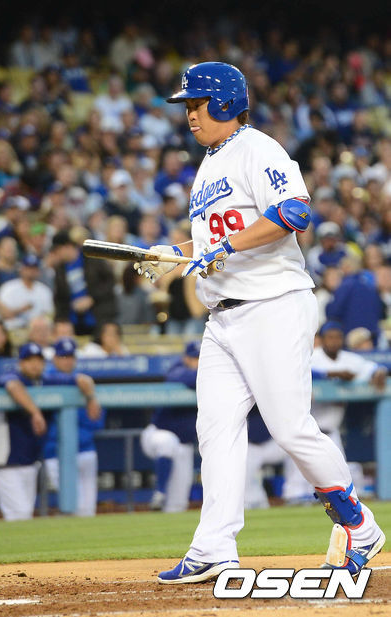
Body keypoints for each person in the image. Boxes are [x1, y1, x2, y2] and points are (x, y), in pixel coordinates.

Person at [134, 62, 385, 583]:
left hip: (272, 304)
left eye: (197, 104)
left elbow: (294, 212)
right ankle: (214, 547)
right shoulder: (209, 164)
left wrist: (223, 247)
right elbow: (213, 243)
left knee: (290, 427)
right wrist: (173, 254)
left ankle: (359, 526)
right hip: (222, 316)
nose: (190, 114)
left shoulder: (257, 148)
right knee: (215, 429)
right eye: (187, 106)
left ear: (226, 103)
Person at [283, 322, 388, 503]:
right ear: (322, 339)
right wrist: (331, 374)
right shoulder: (313, 356)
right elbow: (295, 369)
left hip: (332, 432)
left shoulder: (348, 359)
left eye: (338, 337)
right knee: (296, 489)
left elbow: (373, 367)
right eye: (330, 337)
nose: (334, 341)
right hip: (305, 431)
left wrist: (378, 372)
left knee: (340, 479)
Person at [43, 337, 105, 516]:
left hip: (86, 450)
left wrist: (90, 396)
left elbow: (97, 421)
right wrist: (82, 386)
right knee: (73, 509)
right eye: (63, 357)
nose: (67, 361)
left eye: (70, 357)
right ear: (54, 358)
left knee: (88, 511)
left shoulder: (86, 382)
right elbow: (48, 379)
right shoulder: (46, 378)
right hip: (57, 454)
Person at [0, 342, 47, 521]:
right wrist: (35, 413)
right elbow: (13, 386)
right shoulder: (11, 377)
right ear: (21, 363)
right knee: (20, 514)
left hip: (29, 462)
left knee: (22, 516)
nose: (34, 364)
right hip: (4, 462)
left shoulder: (43, 381)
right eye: (29, 360)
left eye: (38, 360)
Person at [140, 341, 199, 513]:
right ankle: (159, 492)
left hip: (184, 445)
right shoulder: (177, 369)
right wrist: (209, 373)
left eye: (200, 358)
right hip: (157, 434)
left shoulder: (207, 373)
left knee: (178, 504)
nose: (198, 362)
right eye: (195, 358)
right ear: (186, 358)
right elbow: (182, 377)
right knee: (168, 441)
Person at [0, 254, 54, 331]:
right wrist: (21, 310)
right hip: (13, 330)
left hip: (37, 331)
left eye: (34, 269)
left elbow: (49, 316)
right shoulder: (8, 288)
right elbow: (3, 315)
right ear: (21, 269)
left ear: (38, 271)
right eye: (28, 268)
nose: (31, 271)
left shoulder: (44, 291)